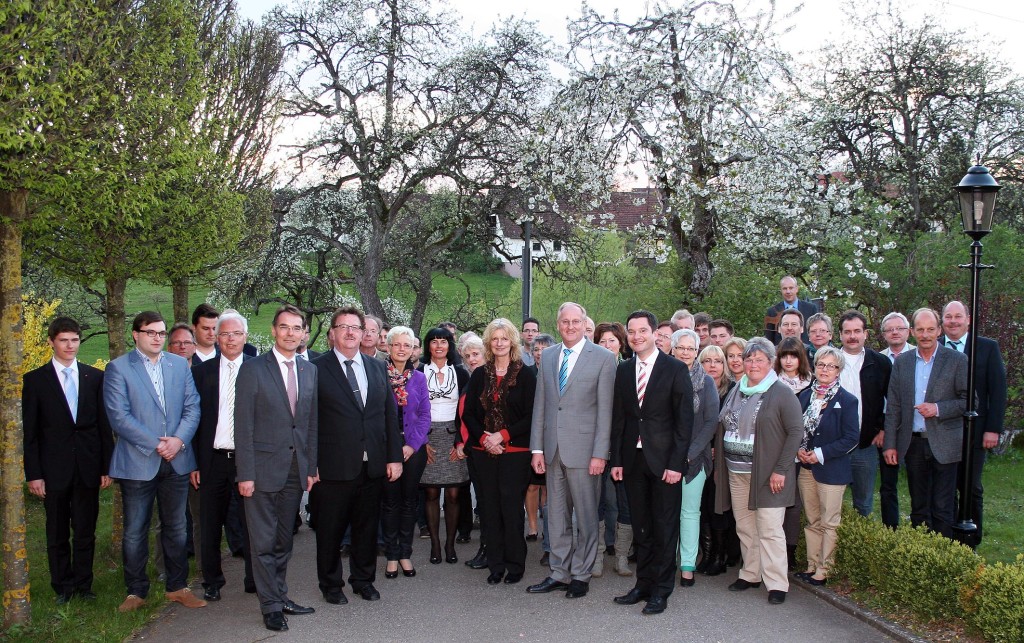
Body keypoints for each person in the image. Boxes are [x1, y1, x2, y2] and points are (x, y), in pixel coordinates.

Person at [104, 311, 205, 613]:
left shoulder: (178, 365)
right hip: (137, 461)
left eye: (161, 333)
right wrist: (157, 444)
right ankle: (136, 592)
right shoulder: (118, 368)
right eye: (151, 332)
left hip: (177, 458)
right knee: (135, 530)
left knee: (176, 528)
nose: (157, 338)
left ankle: (177, 587)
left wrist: (178, 441)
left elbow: (193, 407)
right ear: (135, 334)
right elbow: (118, 416)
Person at [234, 305, 318, 631]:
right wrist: (246, 474)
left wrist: (311, 467)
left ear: (303, 334)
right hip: (261, 471)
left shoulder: (309, 371)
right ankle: (269, 605)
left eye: (296, 328)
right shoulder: (253, 369)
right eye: (284, 327)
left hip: (296, 470)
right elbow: (243, 426)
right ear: (273, 331)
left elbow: (309, 423)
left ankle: (280, 595)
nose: (290, 333)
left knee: (284, 540)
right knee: (263, 542)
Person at [311, 307, 402, 605]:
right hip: (332, 467)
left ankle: (363, 580)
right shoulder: (316, 368)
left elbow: (389, 415)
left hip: (371, 465)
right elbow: (309, 420)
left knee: (366, 529)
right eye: (343, 326)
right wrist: (311, 465)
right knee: (330, 531)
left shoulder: (377, 368)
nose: (350, 332)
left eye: (355, 327)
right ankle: (331, 585)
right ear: (333, 333)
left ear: (364, 333)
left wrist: (393, 457)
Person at [528, 302, 617, 600]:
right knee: (555, 516)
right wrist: (537, 449)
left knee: (587, 517)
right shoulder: (550, 355)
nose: (570, 326)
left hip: (585, 452)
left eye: (575, 321)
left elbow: (606, 411)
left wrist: (600, 454)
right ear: (558, 324)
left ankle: (581, 574)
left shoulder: (604, 358)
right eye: (564, 322)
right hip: (552, 451)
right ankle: (559, 572)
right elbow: (541, 404)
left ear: (584, 323)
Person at [23, 316, 113, 604]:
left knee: (86, 530)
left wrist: (105, 467)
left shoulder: (94, 377)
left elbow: (103, 426)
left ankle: (84, 585)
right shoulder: (35, 381)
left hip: (88, 466)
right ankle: (62, 586)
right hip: (53, 469)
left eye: (74, 340)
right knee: (57, 531)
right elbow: (32, 433)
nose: (70, 345)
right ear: (51, 342)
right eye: (64, 340)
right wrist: (34, 474)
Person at [609, 313, 692, 615]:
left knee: (664, 526)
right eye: (631, 331)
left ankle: (661, 589)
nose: (636, 336)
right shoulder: (624, 370)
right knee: (640, 526)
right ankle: (642, 584)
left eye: (642, 330)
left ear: (655, 333)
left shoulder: (675, 369)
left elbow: (685, 422)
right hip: (633, 461)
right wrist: (616, 459)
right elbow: (619, 419)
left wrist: (676, 464)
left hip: (665, 463)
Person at [714, 337, 802, 605]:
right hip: (736, 471)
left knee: (770, 528)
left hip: (767, 475)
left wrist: (781, 470)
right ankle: (750, 573)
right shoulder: (737, 389)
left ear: (770, 362)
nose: (752, 364)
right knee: (745, 526)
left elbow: (795, 431)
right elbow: (724, 425)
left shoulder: (780, 392)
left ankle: (776, 583)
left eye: (759, 359)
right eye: (748, 359)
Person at [462, 319, 537, 585]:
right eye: (495, 339)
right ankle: (495, 565)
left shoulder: (526, 374)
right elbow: (469, 413)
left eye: (504, 338)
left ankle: (515, 565)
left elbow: (532, 415)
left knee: (510, 508)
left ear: (513, 341)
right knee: (490, 509)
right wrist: (485, 437)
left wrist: (502, 435)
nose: (500, 343)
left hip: (515, 452)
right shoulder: (480, 374)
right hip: (484, 452)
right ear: (489, 343)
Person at [883, 308, 968, 539]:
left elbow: (969, 402)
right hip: (913, 445)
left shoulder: (957, 360)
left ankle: (944, 558)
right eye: (920, 329)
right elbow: (893, 407)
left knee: (943, 507)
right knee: (919, 507)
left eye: (931, 329)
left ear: (939, 330)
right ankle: (921, 557)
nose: (925, 334)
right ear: (912, 332)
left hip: (945, 442)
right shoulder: (903, 363)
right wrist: (890, 444)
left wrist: (938, 409)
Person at [190, 311, 256, 602]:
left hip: (248, 459)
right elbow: (194, 419)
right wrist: (194, 462)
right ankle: (212, 580)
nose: (231, 339)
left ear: (246, 337)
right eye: (225, 334)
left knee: (252, 522)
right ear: (216, 338)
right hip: (212, 459)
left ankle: (254, 578)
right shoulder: (201, 373)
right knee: (209, 522)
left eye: (237, 334)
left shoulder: (259, 369)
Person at [941, 300, 1007, 544]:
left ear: (968, 319)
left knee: (971, 486)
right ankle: (948, 535)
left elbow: (998, 391)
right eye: (948, 317)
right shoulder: (935, 347)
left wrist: (992, 429)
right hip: (944, 430)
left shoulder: (987, 347)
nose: (953, 321)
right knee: (946, 486)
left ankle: (971, 538)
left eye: (958, 316)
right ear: (943, 321)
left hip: (976, 432)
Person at [795, 346, 860, 585]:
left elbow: (852, 437)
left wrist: (820, 454)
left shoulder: (847, 400)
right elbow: (795, 430)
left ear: (838, 371)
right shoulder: (804, 396)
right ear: (814, 366)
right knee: (812, 520)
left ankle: (825, 569)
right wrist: (798, 449)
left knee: (829, 522)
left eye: (831, 366)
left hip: (831, 469)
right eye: (821, 364)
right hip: (805, 468)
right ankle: (812, 565)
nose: (825, 370)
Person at [669, 329, 718, 590]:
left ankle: (687, 565)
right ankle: (667, 561)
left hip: (694, 459)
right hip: (665, 458)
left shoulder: (706, 382)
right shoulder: (663, 376)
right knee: (666, 513)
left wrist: (688, 453)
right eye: (681, 347)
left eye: (691, 348)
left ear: (697, 351)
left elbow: (711, 421)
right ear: (673, 349)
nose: (686, 352)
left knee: (689, 514)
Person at [381, 326, 430, 579]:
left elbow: (424, 415)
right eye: (397, 344)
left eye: (407, 345)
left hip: (414, 448)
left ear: (413, 349)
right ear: (388, 347)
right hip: (387, 448)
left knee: (410, 501)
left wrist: (412, 445)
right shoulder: (378, 374)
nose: (402, 349)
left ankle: (405, 553)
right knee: (390, 503)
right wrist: (394, 448)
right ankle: (390, 555)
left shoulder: (419, 378)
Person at [418, 326, 470, 564]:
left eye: (444, 341)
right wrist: (421, 441)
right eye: (434, 341)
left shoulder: (460, 373)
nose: (439, 346)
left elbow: (467, 411)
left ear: (450, 346)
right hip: (426, 436)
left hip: (453, 435)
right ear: (428, 346)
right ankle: (435, 545)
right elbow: (412, 411)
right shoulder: (418, 372)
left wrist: (460, 441)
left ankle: (450, 544)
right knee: (430, 492)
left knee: (453, 494)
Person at [837, 310, 893, 527]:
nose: (852, 336)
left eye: (857, 331)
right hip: (835, 445)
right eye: (847, 332)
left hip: (866, 444)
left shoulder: (880, 363)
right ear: (840, 335)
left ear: (865, 334)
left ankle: (861, 549)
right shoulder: (828, 361)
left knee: (864, 504)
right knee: (832, 503)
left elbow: (893, 401)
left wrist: (883, 429)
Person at [595, 321, 632, 575]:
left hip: (624, 447)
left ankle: (621, 556)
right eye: (602, 341)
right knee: (596, 503)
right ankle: (596, 555)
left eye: (612, 341)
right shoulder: (590, 370)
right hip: (596, 447)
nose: (607, 346)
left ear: (621, 343)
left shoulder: (629, 371)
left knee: (624, 503)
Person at [697, 344, 737, 575]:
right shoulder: (696, 386)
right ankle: (708, 554)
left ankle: (720, 557)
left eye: (718, 361)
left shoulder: (732, 390)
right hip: (700, 456)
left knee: (719, 508)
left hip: (722, 459)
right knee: (703, 508)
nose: (712, 365)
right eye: (707, 361)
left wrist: (717, 449)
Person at [774, 336, 811, 569]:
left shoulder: (812, 384)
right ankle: (774, 551)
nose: (788, 361)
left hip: (803, 454)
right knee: (777, 502)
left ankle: (790, 551)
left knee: (795, 504)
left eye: (793, 356)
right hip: (776, 452)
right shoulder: (771, 383)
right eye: (784, 356)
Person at [524, 333, 554, 546]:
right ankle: (533, 525)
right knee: (532, 485)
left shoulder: (556, 373)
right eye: (536, 349)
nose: (539, 353)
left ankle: (549, 528)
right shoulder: (527, 374)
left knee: (549, 487)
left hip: (552, 437)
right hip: (530, 437)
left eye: (544, 349)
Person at [765, 276, 818, 344]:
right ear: (781, 290)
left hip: (805, 352)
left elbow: (815, 333)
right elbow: (769, 339)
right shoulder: (772, 312)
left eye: (791, 288)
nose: (788, 291)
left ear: (797, 289)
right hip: (781, 352)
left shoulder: (811, 309)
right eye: (785, 288)